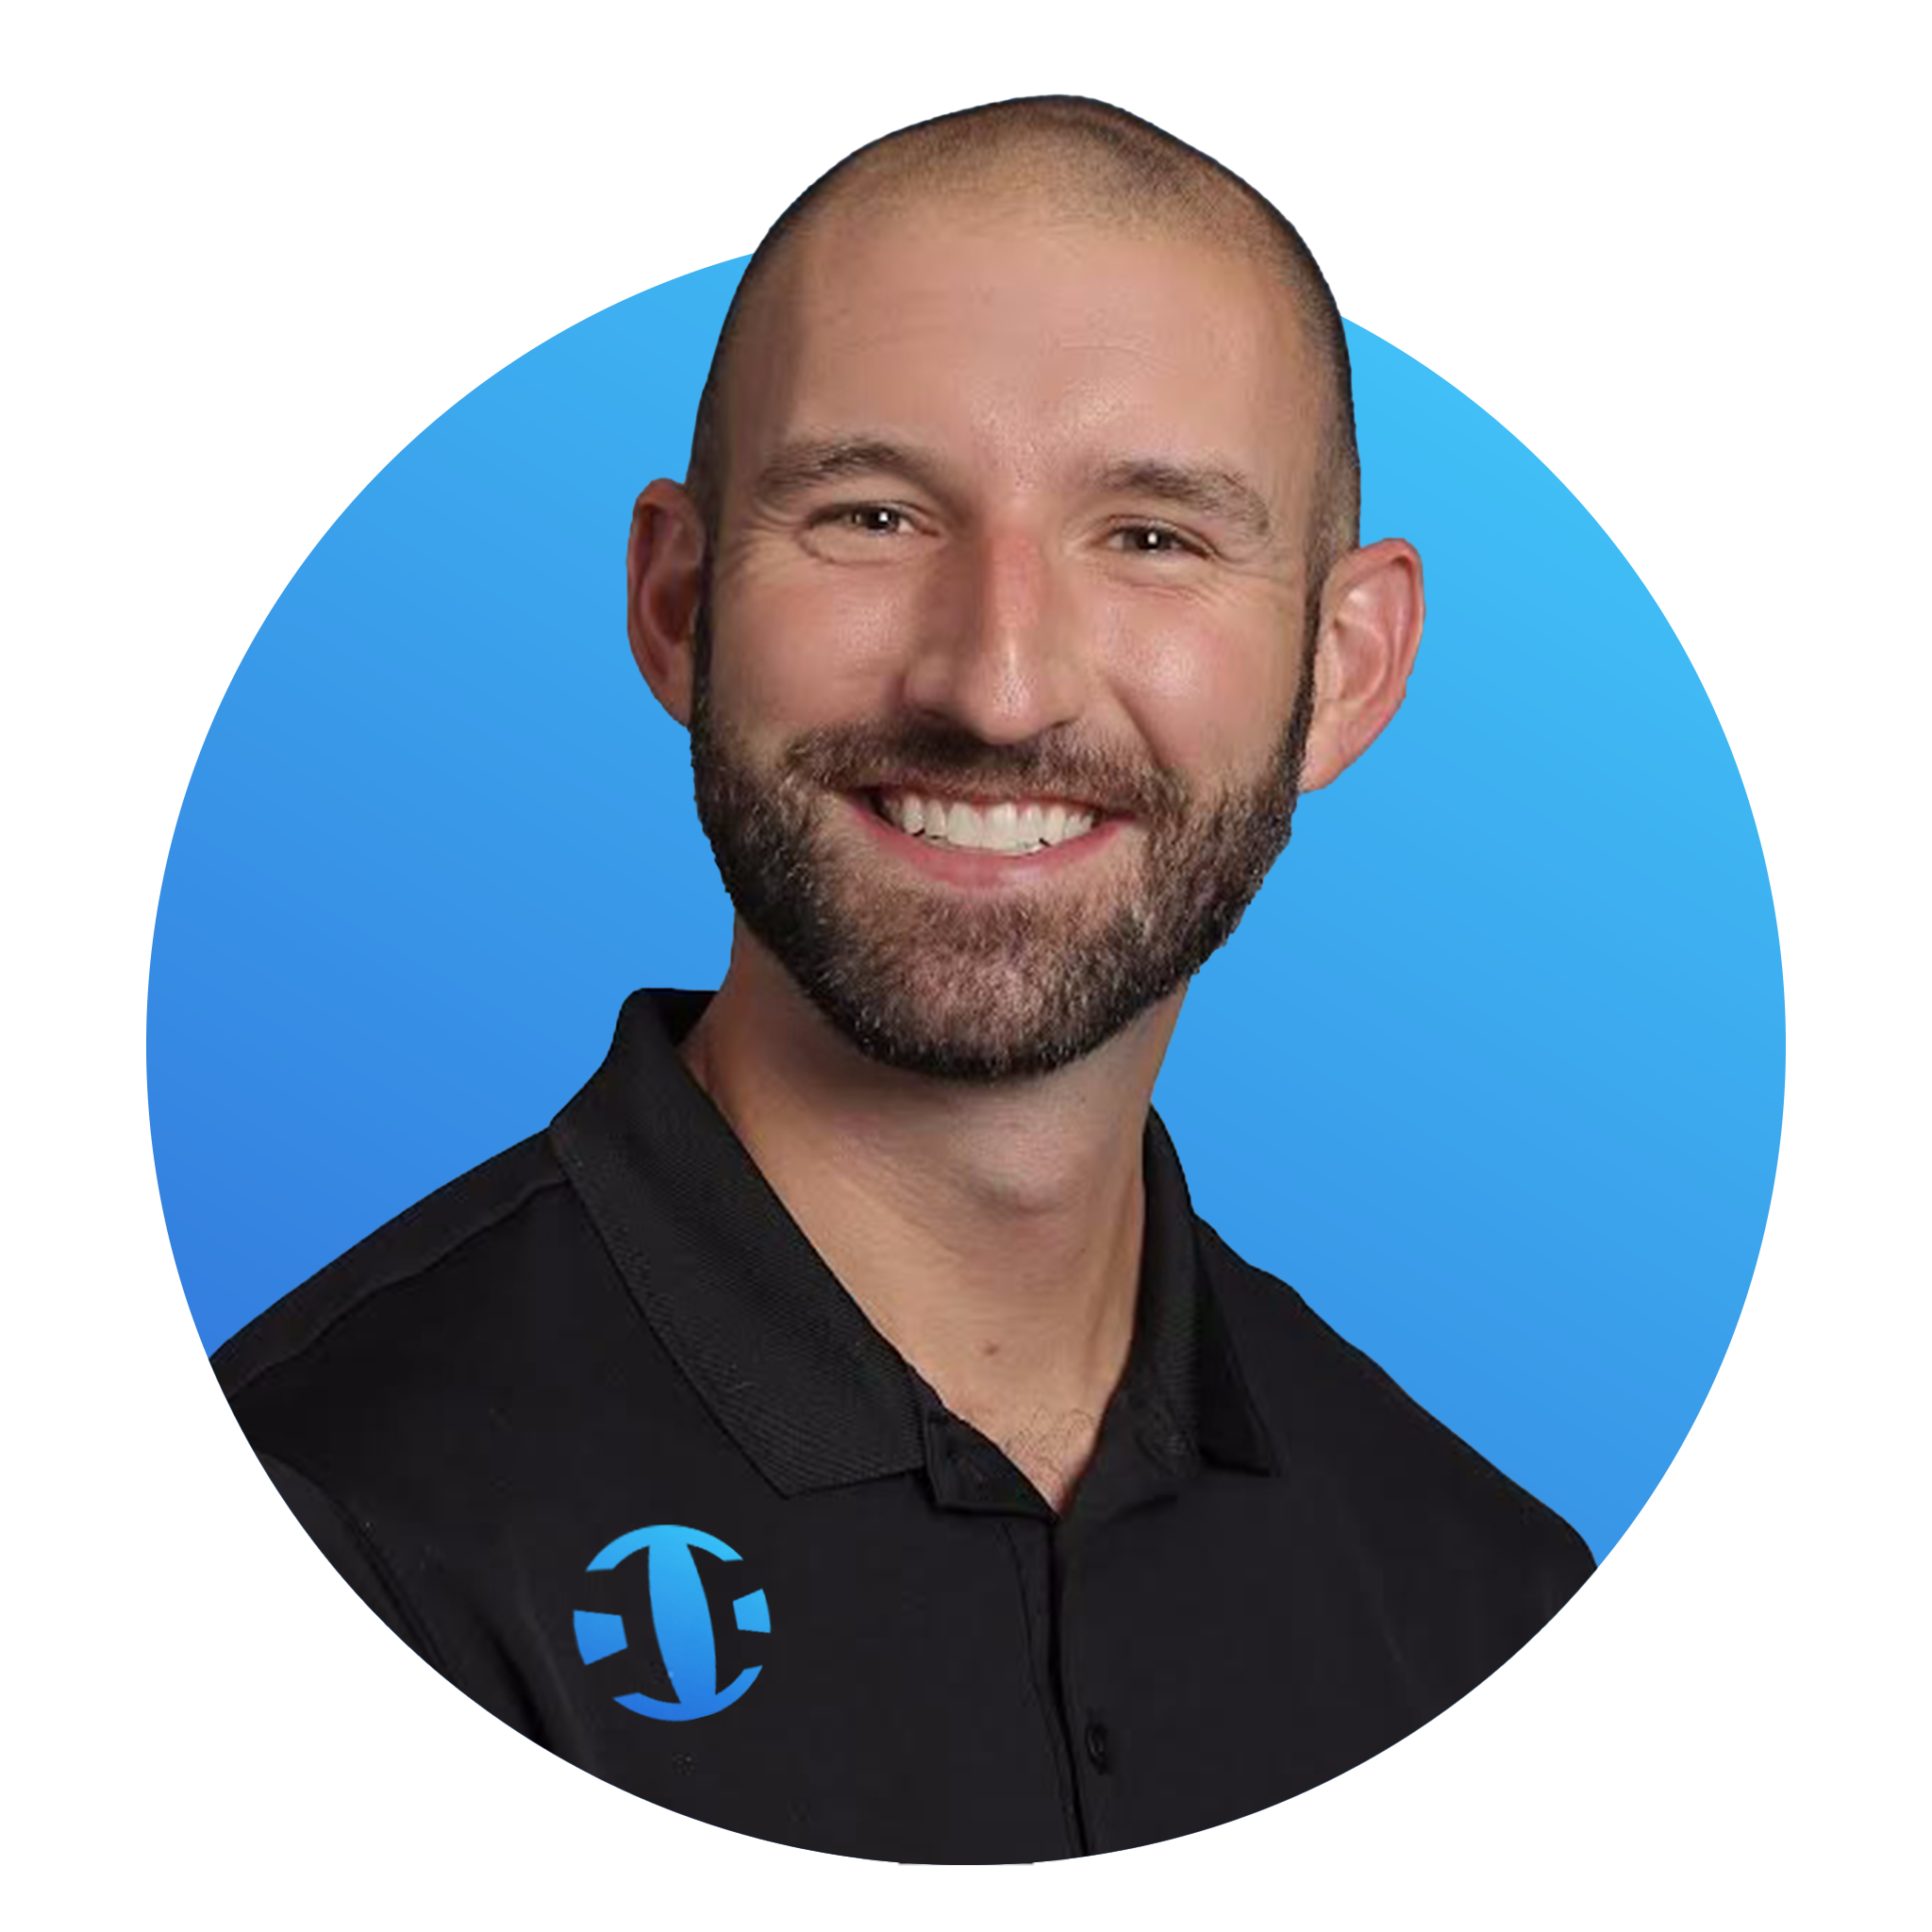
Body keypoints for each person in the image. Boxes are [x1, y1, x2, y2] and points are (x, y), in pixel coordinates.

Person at [210, 94, 1596, 1863]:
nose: (999, 686)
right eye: (872, 515)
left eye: (1154, 537)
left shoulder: (1489, 1607)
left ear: (1345, 669)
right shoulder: (339, 1503)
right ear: (679, 607)